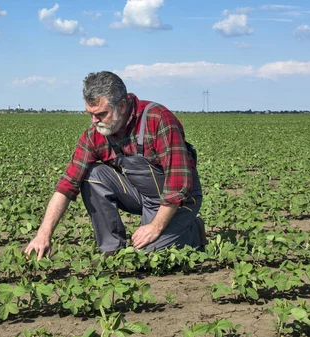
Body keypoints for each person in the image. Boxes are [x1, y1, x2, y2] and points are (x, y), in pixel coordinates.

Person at [25, 71, 206, 260]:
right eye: (91, 114)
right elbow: (67, 184)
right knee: (91, 174)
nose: (95, 121)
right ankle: (112, 251)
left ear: (121, 105)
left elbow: (178, 185)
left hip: (180, 199)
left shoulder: (157, 119)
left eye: (101, 114)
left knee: (147, 257)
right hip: (140, 195)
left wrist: (155, 227)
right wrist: (43, 234)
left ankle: (192, 230)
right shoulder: (95, 134)